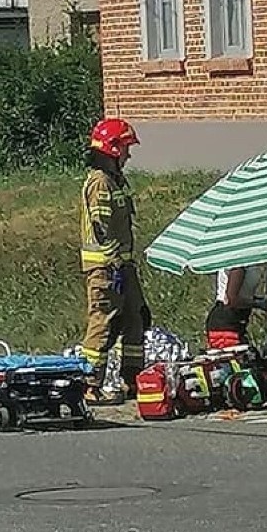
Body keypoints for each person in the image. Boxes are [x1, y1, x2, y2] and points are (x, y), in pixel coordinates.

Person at [80, 118, 148, 406]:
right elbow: (101, 227)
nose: (129, 154)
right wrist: (114, 262)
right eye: (125, 148)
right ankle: (89, 384)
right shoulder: (100, 182)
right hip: (106, 268)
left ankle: (133, 380)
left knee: (136, 318)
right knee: (103, 323)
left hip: (122, 266)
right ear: (112, 148)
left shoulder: (117, 179)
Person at [205, 266, 262, 349]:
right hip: (227, 320)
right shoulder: (238, 264)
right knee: (234, 358)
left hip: (230, 317)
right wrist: (258, 304)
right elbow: (231, 299)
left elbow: (243, 294)